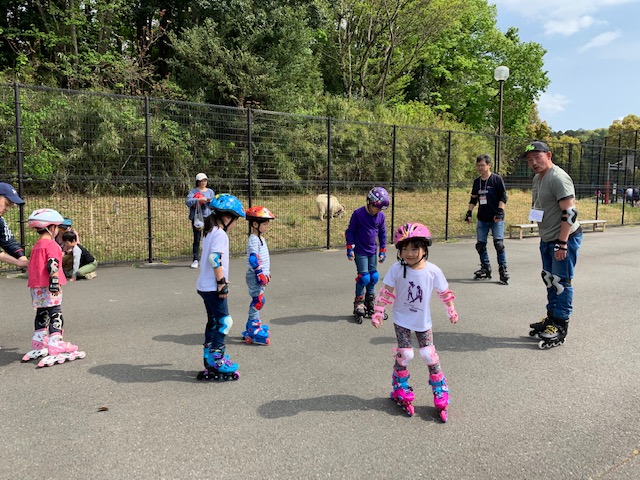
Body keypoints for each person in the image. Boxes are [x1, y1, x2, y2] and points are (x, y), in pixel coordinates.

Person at [371, 222, 458, 422]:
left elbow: (444, 292)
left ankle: (440, 389)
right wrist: (378, 312)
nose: (409, 253)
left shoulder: (433, 271)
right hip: (401, 319)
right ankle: (399, 386)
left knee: (429, 355)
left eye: (414, 248)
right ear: (399, 251)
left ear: (424, 249)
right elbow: (386, 292)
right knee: (406, 354)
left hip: (422, 320)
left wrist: (451, 310)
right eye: (405, 249)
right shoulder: (396, 269)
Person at [522, 141, 583, 349]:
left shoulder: (558, 178)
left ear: (548, 155)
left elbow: (570, 213)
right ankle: (551, 317)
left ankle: (560, 324)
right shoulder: (537, 178)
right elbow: (539, 206)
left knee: (561, 282)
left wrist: (562, 243)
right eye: (529, 159)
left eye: (537, 157)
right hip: (547, 238)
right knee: (549, 279)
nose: (533, 162)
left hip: (564, 238)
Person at [22, 208, 85, 366]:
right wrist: (54, 282)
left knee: (41, 312)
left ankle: (39, 341)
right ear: (51, 228)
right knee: (55, 312)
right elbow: (53, 264)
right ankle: (56, 342)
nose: (58, 231)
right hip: (50, 285)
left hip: (36, 287)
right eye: (57, 227)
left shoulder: (36, 245)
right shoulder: (51, 244)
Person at [195, 193, 245, 381]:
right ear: (227, 217)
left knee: (213, 322)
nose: (235, 224)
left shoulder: (210, 231)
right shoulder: (220, 234)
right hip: (212, 287)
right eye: (236, 220)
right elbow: (214, 259)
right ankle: (217, 358)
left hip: (205, 285)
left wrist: (220, 278)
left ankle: (209, 355)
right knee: (225, 322)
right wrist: (221, 282)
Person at [345, 186, 389, 322]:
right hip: (360, 251)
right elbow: (350, 231)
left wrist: (383, 249)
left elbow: (382, 233)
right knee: (363, 278)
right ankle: (359, 302)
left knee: (373, 277)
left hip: (372, 251)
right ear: (370, 202)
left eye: (381, 208)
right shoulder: (358, 214)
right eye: (377, 207)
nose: (379, 210)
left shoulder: (380, 216)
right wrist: (350, 247)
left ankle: (370, 301)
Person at [465, 154, 509, 284]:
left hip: (496, 218)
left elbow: (503, 197)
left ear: (489, 165)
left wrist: (500, 211)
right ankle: (485, 267)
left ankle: (503, 270)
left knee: (499, 245)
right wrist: (469, 212)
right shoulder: (477, 182)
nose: (480, 168)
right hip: (482, 218)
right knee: (480, 245)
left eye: (482, 165)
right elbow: (473, 199)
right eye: (478, 165)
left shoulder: (496, 179)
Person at [241, 206, 276, 346]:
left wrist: (266, 273)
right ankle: (253, 327)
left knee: (259, 300)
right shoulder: (254, 239)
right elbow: (253, 259)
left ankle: (253, 324)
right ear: (255, 224)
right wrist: (259, 274)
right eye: (265, 223)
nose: (267, 226)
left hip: (260, 274)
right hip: (254, 275)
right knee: (258, 301)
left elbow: (263, 258)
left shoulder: (260, 238)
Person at [186, 173, 215, 269]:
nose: (203, 182)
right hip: (197, 218)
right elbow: (188, 202)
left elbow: (213, 203)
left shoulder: (210, 191)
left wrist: (209, 201)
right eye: (201, 181)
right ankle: (195, 259)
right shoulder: (193, 191)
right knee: (197, 238)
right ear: (197, 182)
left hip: (208, 217)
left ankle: (209, 258)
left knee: (208, 238)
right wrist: (198, 200)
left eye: (205, 180)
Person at [0, 182, 28, 269]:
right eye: (6, 204)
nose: (7, 209)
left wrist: (23, 260)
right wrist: (17, 262)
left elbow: (9, 242)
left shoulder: (0, 221)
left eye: (10, 206)